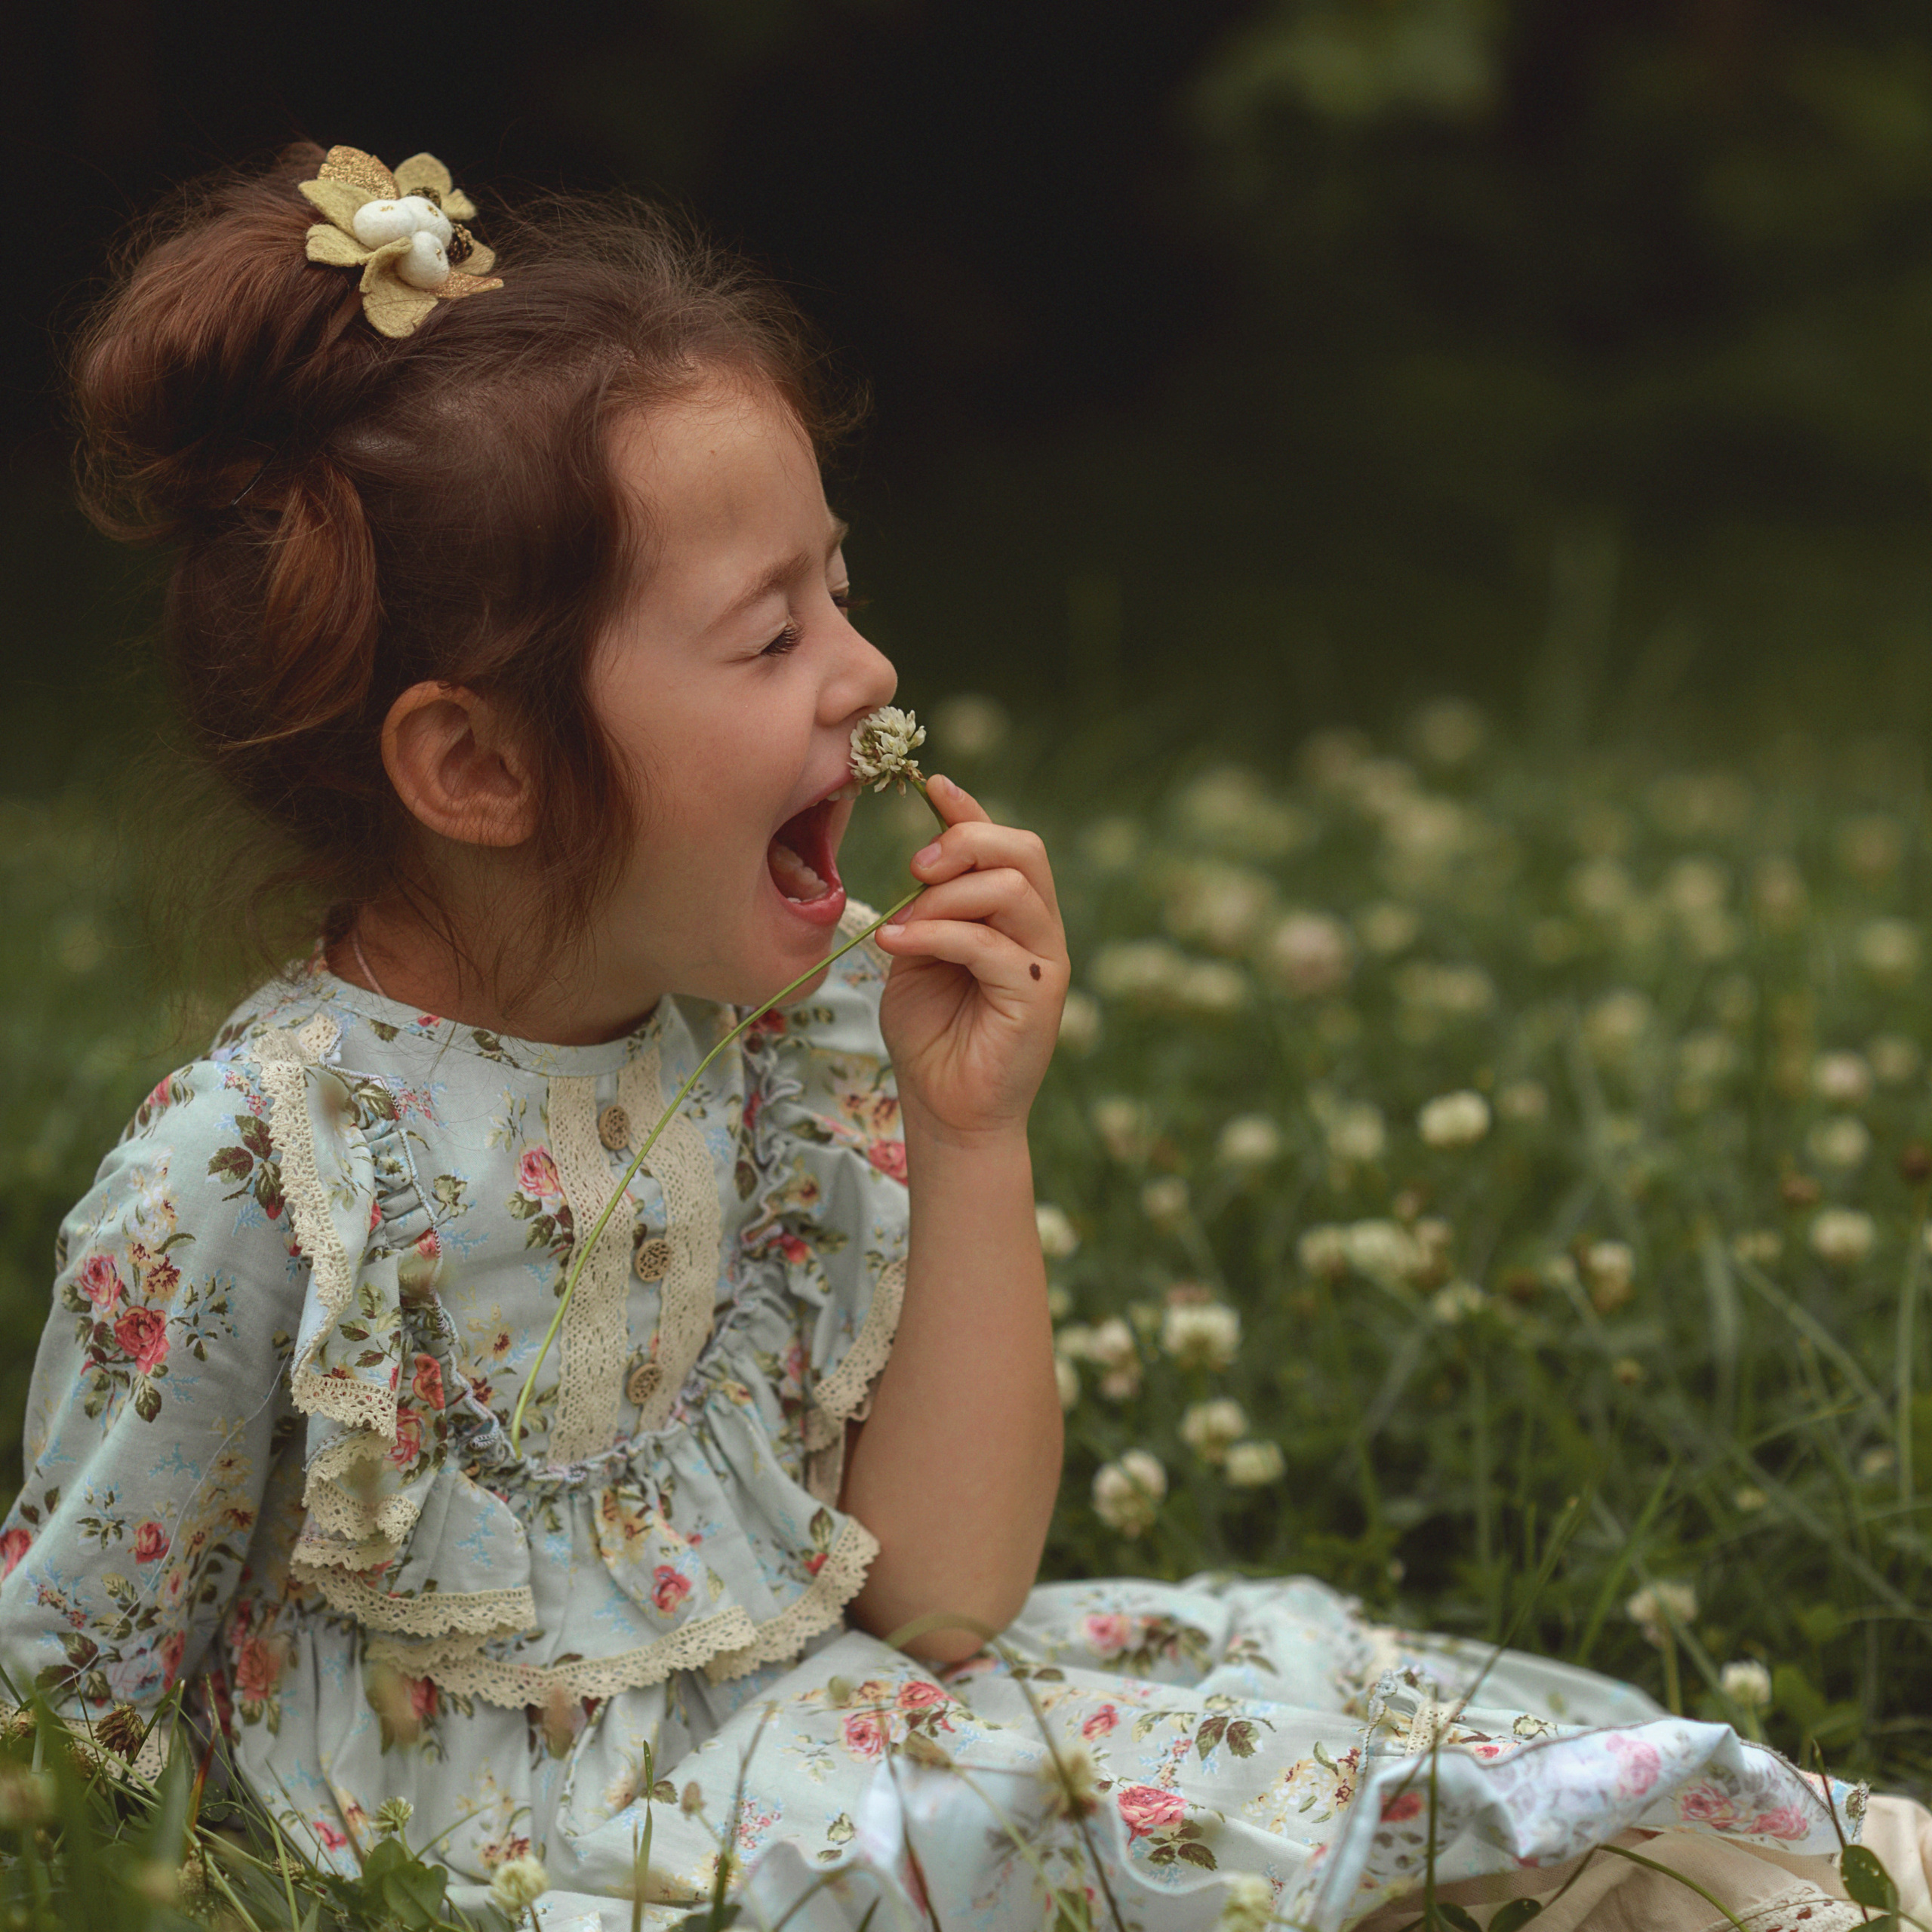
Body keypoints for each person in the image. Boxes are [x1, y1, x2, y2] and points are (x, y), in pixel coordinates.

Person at [2, 143, 1926, 1932]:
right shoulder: (264, 1169)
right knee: (1071, 1814)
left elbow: (939, 1595)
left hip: (819, 1727)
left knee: (1276, 1702)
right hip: (545, 1863)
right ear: (479, 765)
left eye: (836, 588)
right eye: (770, 634)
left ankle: (1750, 1861)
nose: (865, 668)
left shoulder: (781, 1038)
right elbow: (64, 1697)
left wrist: (970, 1133)